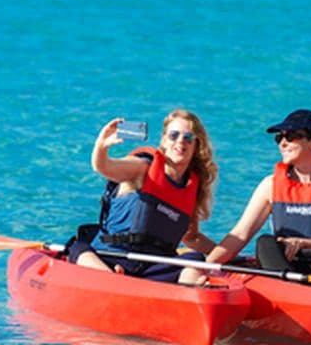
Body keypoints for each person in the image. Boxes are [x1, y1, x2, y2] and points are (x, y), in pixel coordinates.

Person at [179, 109, 311, 284]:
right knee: (265, 243)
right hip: (287, 269)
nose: (282, 143)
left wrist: (301, 243)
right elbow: (241, 234)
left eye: (290, 136)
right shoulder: (270, 185)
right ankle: (295, 294)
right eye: (280, 137)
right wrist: (205, 267)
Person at [67, 108, 218, 283]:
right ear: (163, 140)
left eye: (188, 137)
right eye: (173, 135)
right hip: (111, 256)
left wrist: (227, 254)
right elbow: (104, 167)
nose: (180, 142)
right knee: (79, 249)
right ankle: (114, 282)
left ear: (196, 145)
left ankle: (192, 295)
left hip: (153, 266)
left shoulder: (191, 186)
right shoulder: (143, 168)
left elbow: (191, 237)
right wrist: (101, 146)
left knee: (195, 260)